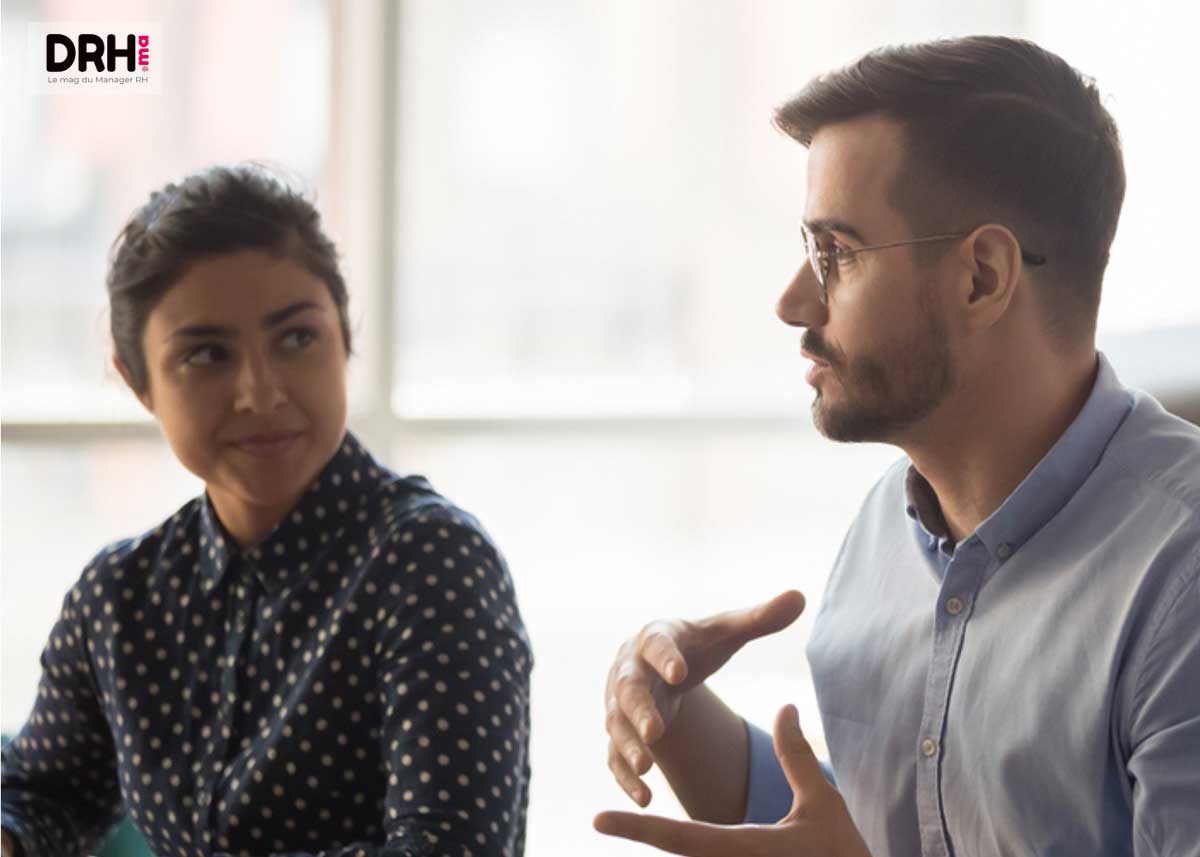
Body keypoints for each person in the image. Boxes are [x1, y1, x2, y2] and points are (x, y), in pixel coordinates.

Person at [596, 35, 1200, 857]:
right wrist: (675, 709)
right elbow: (883, 827)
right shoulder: (888, 522)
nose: (791, 301)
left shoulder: (1182, 579)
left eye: (835, 253)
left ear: (982, 276)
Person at [1, 166, 533, 857]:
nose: (261, 392)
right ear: (139, 383)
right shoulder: (119, 599)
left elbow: (448, 851)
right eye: (207, 355)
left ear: (344, 338)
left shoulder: (430, 562)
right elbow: (43, 793)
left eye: (296, 338)